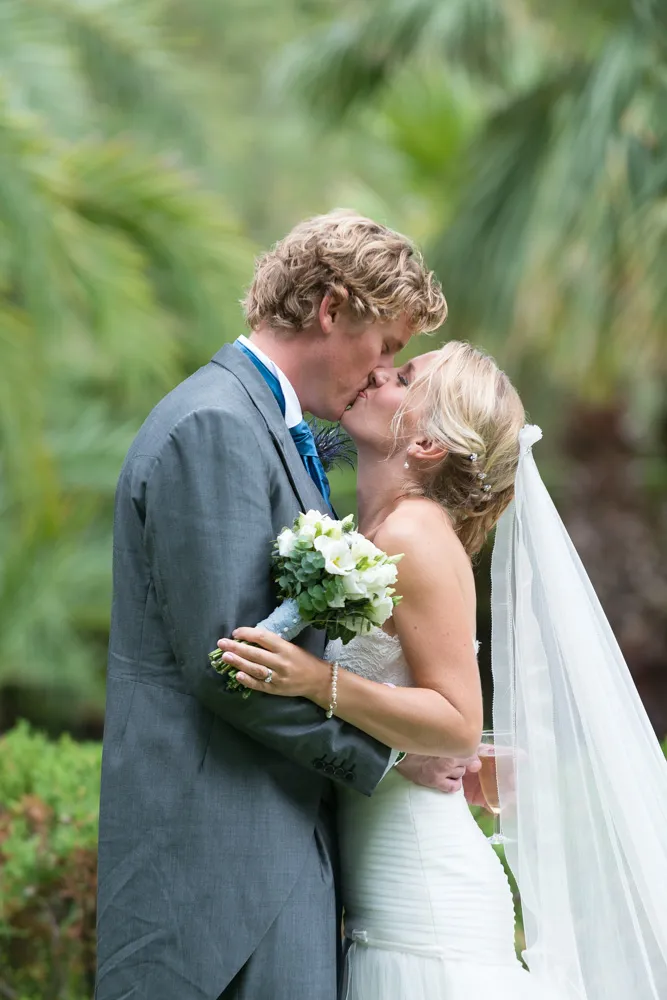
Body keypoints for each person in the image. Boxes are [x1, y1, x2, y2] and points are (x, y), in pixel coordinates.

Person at [94, 211, 478, 1000]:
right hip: (216, 884)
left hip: (272, 864)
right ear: (333, 309)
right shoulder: (216, 425)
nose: (382, 373)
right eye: (388, 347)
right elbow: (232, 666)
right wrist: (395, 756)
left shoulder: (270, 427)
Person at [219, 340, 667, 998]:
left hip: (423, 908)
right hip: (391, 900)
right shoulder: (382, 533)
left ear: (427, 444)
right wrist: (400, 749)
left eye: (401, 377)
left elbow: (457, 724)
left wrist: (315, 682)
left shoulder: (414, 535)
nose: (374, 371)